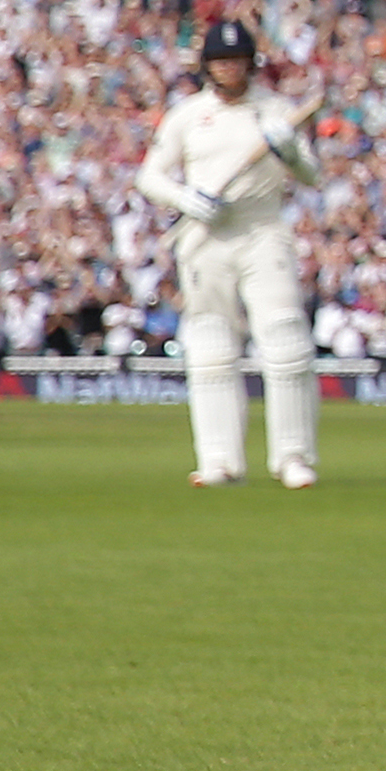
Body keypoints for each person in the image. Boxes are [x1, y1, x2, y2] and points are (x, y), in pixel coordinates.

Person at [135, 24, 323, 488]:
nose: (230, 68)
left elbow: (312, 176)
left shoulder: (275, 111)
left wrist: (290, 154)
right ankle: (219, 461)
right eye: (222, 61)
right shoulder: (188, 114)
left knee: (285, 341)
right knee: (211, 348)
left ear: (250, 64)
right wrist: (186, 199)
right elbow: (149, 177)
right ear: (209, 67)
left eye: (237, 61)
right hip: (206, 238)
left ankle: (293, 457)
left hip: (262, 230)